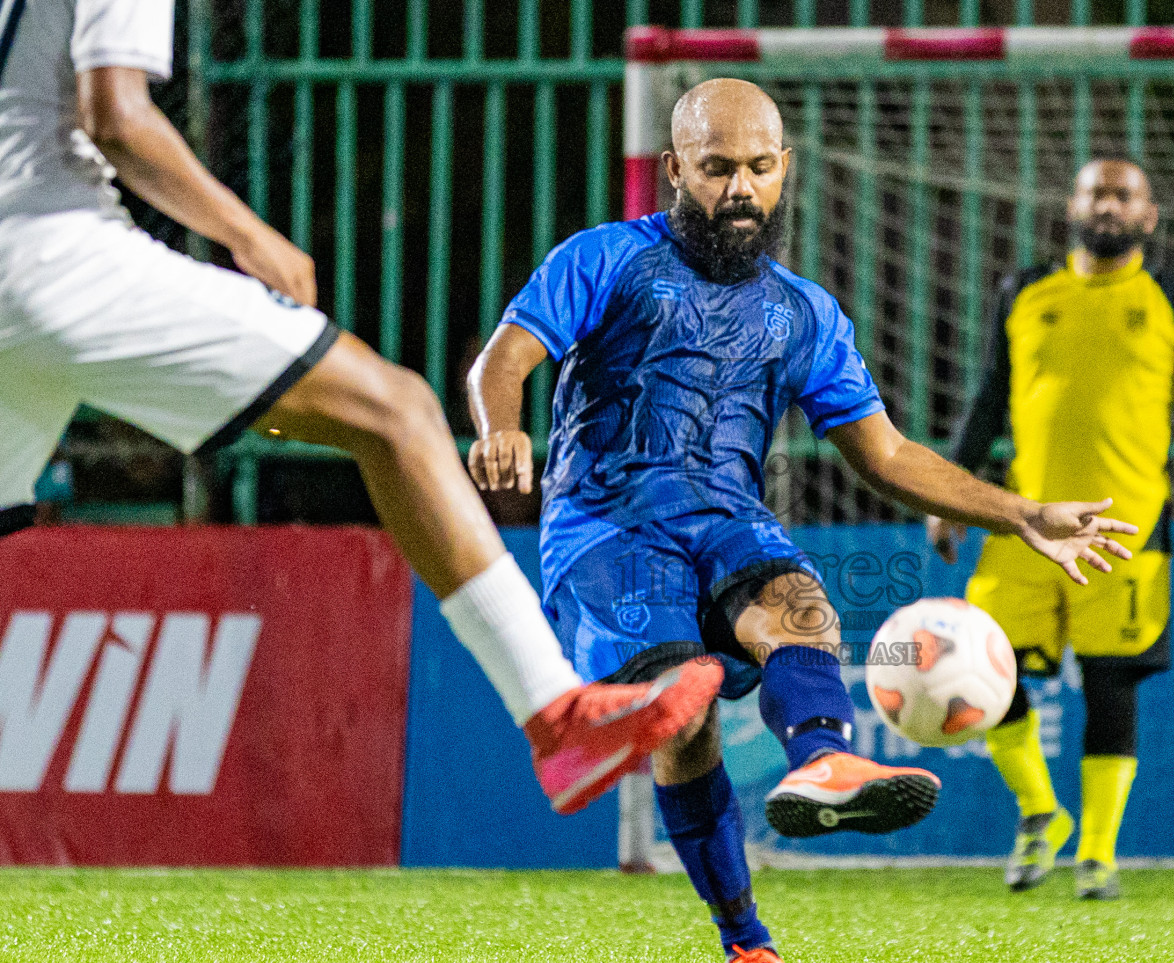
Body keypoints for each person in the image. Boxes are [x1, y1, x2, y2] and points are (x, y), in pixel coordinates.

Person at [468, 78, 1137, 963]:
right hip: (606, 529)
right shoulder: (607, 259)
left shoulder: (807, 313)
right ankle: (748, 945)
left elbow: (888, 454)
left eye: (755, 168)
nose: (738, 189)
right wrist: (501, 427)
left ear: (785, 170)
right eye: (714, 169)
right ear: (673, 171)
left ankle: (824, 761)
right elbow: (502, 361)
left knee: (801, 609)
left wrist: (1023, 513)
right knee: (684, 715)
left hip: (724, 516)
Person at [0, 0, 722, 816]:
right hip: (55, 258)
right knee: (397, 413)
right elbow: (118, 118)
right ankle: (558, 713)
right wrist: (248, 235)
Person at [929, 159, 1174, 901]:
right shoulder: (1023, 292)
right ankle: (1041, 812)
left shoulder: (1173, 298)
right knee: (988, 673)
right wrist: (949, 496)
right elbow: (987, 403)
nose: (1107, 204)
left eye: (1124, 194)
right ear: (1070, 205)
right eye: (1094, 192)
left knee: (1112, 691)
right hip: (1024, 528)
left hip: (1126, 534)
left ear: (1150, 218)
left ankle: (1099, 856)